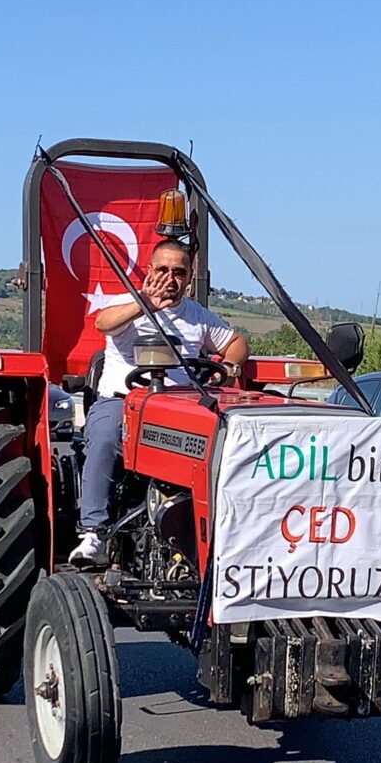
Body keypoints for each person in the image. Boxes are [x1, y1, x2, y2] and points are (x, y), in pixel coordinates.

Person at [72, 237, 247, 567]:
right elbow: (102, 323)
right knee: (107, 437)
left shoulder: (197, 317)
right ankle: (93, 532)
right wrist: (146, 304)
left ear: (189, 276)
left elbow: (236, 342)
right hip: (124, 404)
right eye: (162, 269)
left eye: (178, 272)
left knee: (224, 446)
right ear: (149, 271)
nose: (170, 278)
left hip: (180, 410)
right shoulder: (127, 306)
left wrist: (228, 366)